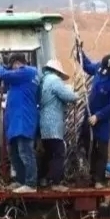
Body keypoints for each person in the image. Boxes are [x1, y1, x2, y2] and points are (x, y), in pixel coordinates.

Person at [76, 47, 110, 188]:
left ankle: (99, 179)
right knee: (84, 144)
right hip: (89, 115)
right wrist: (80, 53)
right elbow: (87, 67)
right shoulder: (99, 68)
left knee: (100, 149)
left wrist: (98, 116)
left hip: (102, 121)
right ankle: (86, 174)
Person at [0, 54, 40, 193]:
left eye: (11, 66)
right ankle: (20, 181)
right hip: (15, 121)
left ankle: (31, 184)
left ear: (16, 63)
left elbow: (3, 74)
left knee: (25, 152)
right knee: (14, 153)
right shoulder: (23, 78)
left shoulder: (28, 71)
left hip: (23, 120)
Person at [38, 59, 79, 191]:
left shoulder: (42, 81)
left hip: (43, 123)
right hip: (53, 123)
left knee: (48, 152)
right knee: (59, 152)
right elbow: (69, 96)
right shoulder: (54, 80)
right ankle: (56, 182)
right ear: (57, 71)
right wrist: (77, 95)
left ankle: (43, 179)